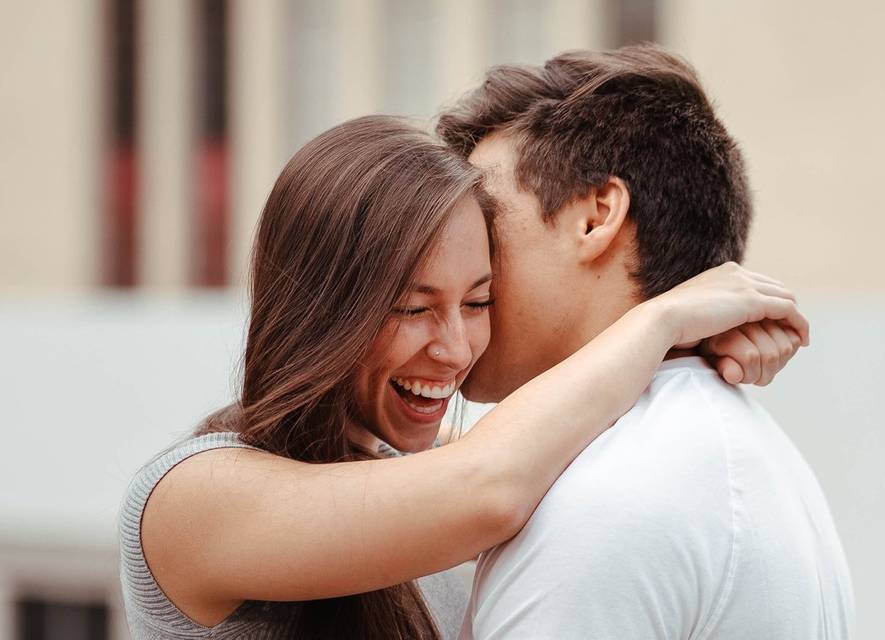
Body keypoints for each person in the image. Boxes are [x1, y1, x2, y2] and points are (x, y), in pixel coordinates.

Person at [118, 116, 808, 639]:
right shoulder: (190, 499)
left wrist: (694, 348)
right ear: (322, 307)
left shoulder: (451, 459)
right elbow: (488, 488)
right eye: (414, 308)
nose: (454, 349)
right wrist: (661, 319)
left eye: (479, 303)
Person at [436, 43, 854, 639]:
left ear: (596, 215)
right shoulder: (750, 455)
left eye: (484, 217)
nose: (461, 252)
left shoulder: (602, 503)